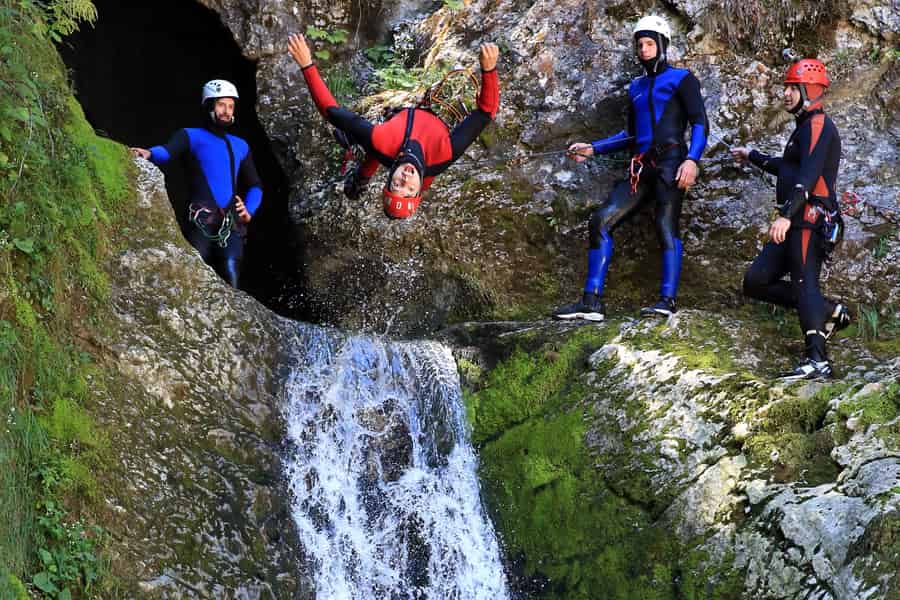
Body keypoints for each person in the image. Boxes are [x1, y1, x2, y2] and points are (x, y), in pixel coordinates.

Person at [553, 15, 708, 321]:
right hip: (641, 168)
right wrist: (593, 148)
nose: (644, 49)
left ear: (662, 45)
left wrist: (692, 160)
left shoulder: (682, 79)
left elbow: (700, 121)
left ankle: (667, 301)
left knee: (666, 226)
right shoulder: (635, 87)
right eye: (640, 44)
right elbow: (630, 135)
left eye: (650, 43)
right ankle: (591, 302)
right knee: (600, 220)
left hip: (671, 164)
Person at [286, 32, 500, 219]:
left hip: (393, 133)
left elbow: (331, 112)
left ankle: (360, 175)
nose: (406, 179)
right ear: (417, 191)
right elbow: (486, 112)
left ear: (389, 180)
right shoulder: (443, 154)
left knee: (374, 146)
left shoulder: (383, 140)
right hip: (429, 141)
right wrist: (489, 70)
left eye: (397, 185)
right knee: (380, 150)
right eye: (409, 189)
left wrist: (307, 65)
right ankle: (363, 174)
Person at [731, 58, 850, 380]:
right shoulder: (805, 127)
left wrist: (785, 215)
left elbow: (808, 176)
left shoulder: (818, 125)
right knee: (756, 280)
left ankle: (817, 360)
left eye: (790, 87)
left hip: (809, 218)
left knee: (804, 281)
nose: (784, 93)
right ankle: (826, 311)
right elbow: (790, 167)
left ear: (808, 90)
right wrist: (752, 156)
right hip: (798, 218)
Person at [132, 79, 262, 288]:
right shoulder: (191, 136)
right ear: (209, 105)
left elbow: (256, 184)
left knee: (231, 271)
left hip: (230, 224)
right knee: (195, 273)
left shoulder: (240, 145)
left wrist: (249, 211)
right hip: (200, 220)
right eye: (221, 105)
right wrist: (149, 153)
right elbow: (167, 152)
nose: (227, 111)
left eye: (230, 106)